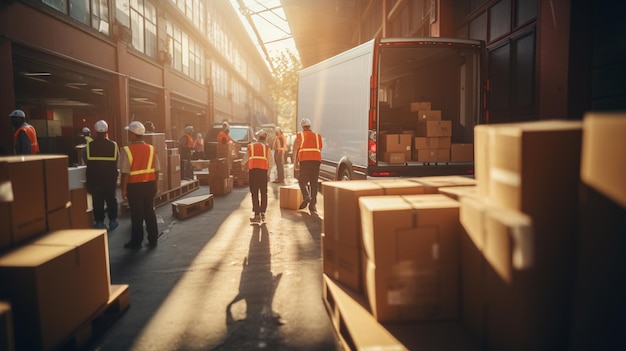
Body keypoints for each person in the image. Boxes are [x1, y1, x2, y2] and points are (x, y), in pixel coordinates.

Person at [119, 121, 160, 249]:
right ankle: (153, 238)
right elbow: (157, 169)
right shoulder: (151, 149)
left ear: (133, 135)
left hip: (134, 187)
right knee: (149, 211)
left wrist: (124, 189)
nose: (128, 135)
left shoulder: (127, 150)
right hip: (150, 185)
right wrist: (156, 186)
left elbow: (125, 172)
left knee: (137, 214)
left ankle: (137, 241)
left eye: (129, 133)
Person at [85, 120, 119, 230]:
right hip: (110, 178)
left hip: (95, 178)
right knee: (111, 199)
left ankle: (99, 222)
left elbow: (85, 161)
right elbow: (117, 160)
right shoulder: (113, 145)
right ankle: (113, 221)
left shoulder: (89, 146)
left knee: (97, 200)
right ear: (106, 131)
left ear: (95, 131)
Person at [243, 129, 274, 224]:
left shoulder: (251, 147)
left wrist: (242, 165)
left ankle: (257, 215)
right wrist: (268, 173)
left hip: (253, 172)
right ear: (265, 139)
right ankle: (263, 213)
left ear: (257, 138)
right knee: (264, 193)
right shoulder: (267, 148)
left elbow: (244, 159)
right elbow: (271, 162)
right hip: (263, 173)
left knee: (254, 193)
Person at [293, 118, 322, 214]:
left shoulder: (299, 135)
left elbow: (295, 150)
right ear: (310, 126)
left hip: (305, 161)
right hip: (316, 161)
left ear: (302, 126)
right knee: (314, 183)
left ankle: (306, 196)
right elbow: (320, 148)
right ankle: (313, 206)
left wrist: (295, 163)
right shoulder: (318, 136)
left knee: (302, 181)